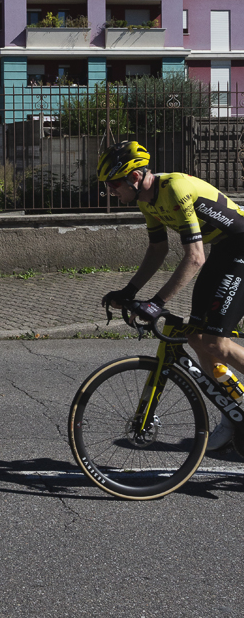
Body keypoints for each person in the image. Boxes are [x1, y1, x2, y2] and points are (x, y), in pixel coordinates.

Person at [97, 140, 244, 450]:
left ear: (135, 178)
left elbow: (194, 258)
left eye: (113, 184)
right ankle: (233, 412)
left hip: (241, 249)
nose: (111, 192)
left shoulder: (175, 189)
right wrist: (129, 291)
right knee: (195, 338)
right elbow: (158, 250)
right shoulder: (146, 202)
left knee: (217, 342)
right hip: (224, 252)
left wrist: (157, 303)